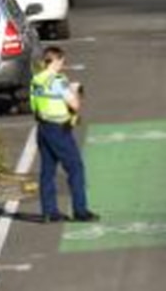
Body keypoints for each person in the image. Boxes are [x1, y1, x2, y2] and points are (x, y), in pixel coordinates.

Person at [30, 47, 98, 223]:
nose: (63, 64)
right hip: (59, 130)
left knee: (47, 170)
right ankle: (80, 210)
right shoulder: (58, 81)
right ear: (54, 61)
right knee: (75, 168)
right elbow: (74, 105)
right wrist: (75, 90)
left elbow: (34, 106)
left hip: (43, 128)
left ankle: (49, 212)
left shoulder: (36, 80)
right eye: (61, 61)